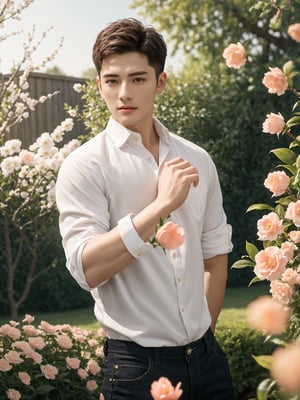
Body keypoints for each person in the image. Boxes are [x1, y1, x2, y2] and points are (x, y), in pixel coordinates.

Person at [56, 17, 235, 400]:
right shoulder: (85, 166)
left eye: (138, 79)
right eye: (112, 80)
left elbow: (215, 253)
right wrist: (161, 206)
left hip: (208, 361)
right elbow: (86, 268)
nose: (124, 93)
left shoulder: (198, 159)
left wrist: (206, 332)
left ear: (161, 82)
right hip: (136, 370)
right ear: (100, 83)